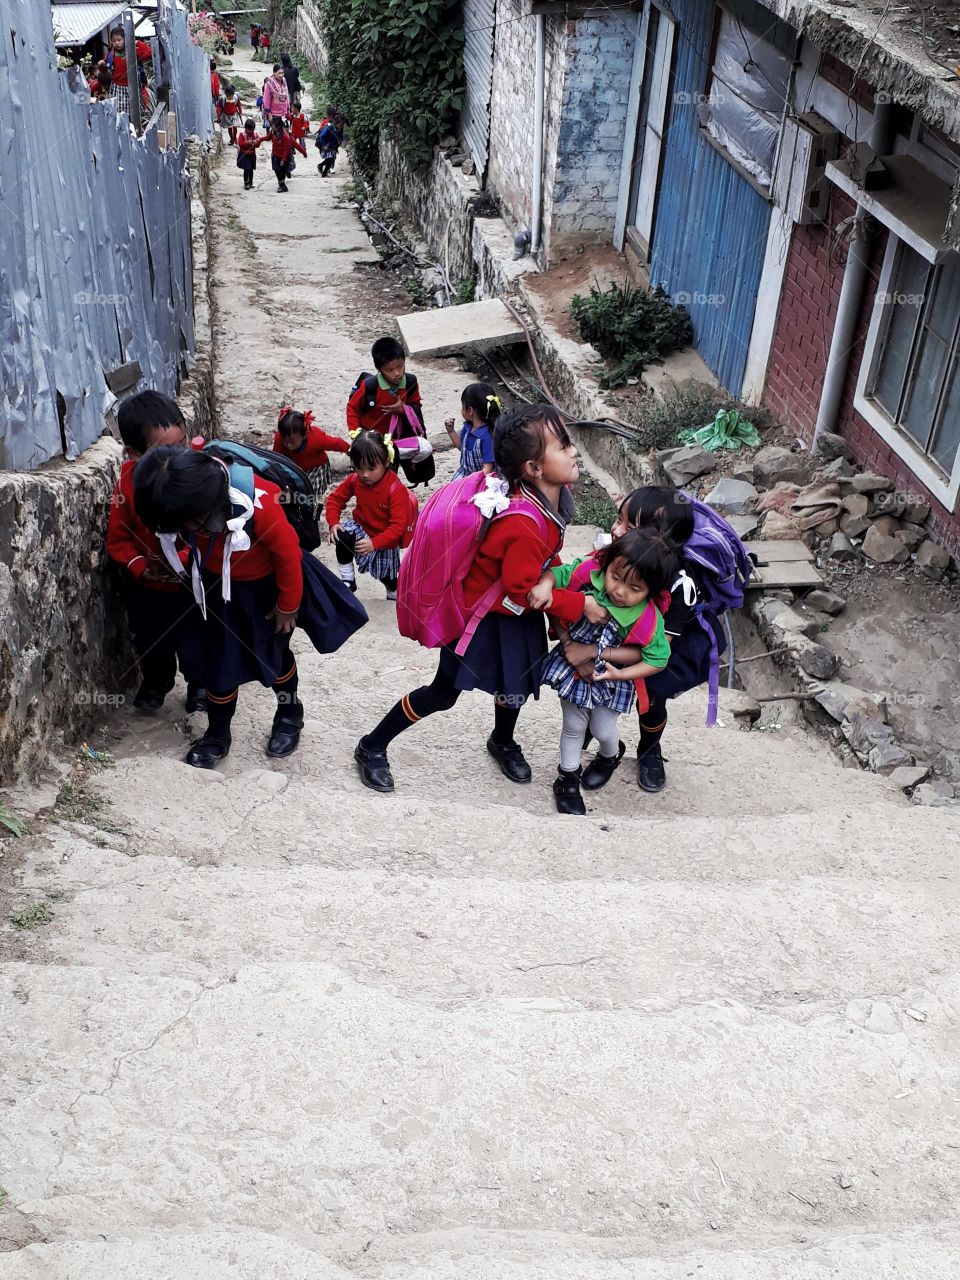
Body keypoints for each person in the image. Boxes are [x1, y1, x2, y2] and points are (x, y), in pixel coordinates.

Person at [354, 403, 597, 795]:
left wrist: (553, 581)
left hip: (512, 617)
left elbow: (544, 561)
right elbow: (523, 591)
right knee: (443, 693)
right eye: (563, 444)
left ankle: (501, 740)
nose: (572, 451)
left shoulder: (547, 501)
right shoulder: (522, 523)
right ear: (534, 469)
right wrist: (578, 605)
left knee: (512, 684)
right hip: (480, 620)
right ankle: (372, 745)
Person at [133, 447, 367, 769]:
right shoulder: (185, 503)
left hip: (264, 594)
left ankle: (289, 713)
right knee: (219, 663)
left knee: (274, 656)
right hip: (215, 590)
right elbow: (198, 546)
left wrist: (287, 606)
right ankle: (217, 734)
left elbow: (287, 556)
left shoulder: (259, 503)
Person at [561, 486, 725, 793]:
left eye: (628, 526)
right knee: (594, 685)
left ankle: (649, 750)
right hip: (618, 635)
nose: (616, 529)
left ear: (662, 541)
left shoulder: (678, 585)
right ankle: (598, 734)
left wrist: (596, 652)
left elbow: (654, 651)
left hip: (662, 646)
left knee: (650, 699)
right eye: (618, 519)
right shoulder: (620, 555)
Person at [534, 529, 676, 815]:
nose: (620, 591)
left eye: (635, 589)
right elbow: (558, 573)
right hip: (573, 668)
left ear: (651, 591)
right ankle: (567, 778)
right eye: (616, 577)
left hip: (612, 677)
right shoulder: (588, 573)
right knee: (573, 726)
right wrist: (545, 585)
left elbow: (658, 658)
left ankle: (610, 755)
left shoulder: (647, 618)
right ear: (606, 563)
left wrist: (617, 674)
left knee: (602, 729)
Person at [105, 391, 206, 716]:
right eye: (164, 451)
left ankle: (199, 685)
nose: (177, 457)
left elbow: (208, 535)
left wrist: (188, 562)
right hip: (146, 587)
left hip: (191, 583)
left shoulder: (195, 479)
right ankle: (156, 681)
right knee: (150, 640)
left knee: (195, 639)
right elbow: (119, 540)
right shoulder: (127, 488)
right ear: (134, 454)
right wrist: (140, 567)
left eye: (182, 445)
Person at [325, 431, 413, 601]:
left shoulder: (395, 489)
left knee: (388, 578)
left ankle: (393, 590)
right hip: (362, 529)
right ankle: (347, 580)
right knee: (342, 534)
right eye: (359, 468)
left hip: (385, 540)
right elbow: (335, 499)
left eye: (371, 468)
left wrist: (375, 543)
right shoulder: (355, 481)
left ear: (386, 462)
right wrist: (333, 523)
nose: (365, 474)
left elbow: (397, 527)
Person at [345, 336, 425, 438]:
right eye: (389, 370)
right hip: (372, 439)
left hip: (398, 438)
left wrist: (403, 409)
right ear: (379, 369)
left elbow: (416, 406)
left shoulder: (410, 382)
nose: (397, 373)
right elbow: (352, 408)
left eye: (400, 366)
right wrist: (356, 434)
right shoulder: (369, 386)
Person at [273, 405, 349, 501]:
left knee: (311, 493)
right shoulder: (279, 439)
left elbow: (335, 443)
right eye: (285, 440)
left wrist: (349, 450)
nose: (288, 445)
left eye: (292, 441)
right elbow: (276, 458)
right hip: (294, 467)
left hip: (316, 467)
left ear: (304, 435)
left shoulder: (316, 438)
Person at [444, 383, 502, 479]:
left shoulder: (487, 436)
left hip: (481, 479)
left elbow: (488, 469)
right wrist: (451, 432)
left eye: (463, 406)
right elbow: (462, 448)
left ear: (470, 410)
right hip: (466, 474)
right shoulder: (468, 428)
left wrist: (470, 482)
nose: (461, 409)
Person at [105, 27, 151, 115]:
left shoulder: (133, 50)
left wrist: (137, 42)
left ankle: (136, 128)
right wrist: (102, 66)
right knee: (119, 114)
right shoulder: (111, 54)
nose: (117, 43)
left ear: (125, 39)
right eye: (114, 41)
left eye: (119, 40)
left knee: (136, 113)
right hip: (117, 87)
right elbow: (105, 69)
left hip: (133, 86)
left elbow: (149, 53)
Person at [269, 116, 305, 193]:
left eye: (286, 128)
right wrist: (259, 140)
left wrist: (303, 152)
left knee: (281, 171)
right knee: (277, 170)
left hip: (284, 157)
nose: (285, 130)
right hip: (276, 155)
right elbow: (267, 137)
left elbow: (296, 146)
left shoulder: (287, 137)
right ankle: (282, 184)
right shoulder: (274, 133)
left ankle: (283, 185)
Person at [236, 118, 265, 189]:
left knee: (251, 169)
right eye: (249, 130)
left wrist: (256, 143)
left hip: (252, 154)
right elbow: (240, 143)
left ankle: (250, 182)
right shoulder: (242, 134)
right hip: (244, 154)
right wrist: (247, 143)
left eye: (252, 130)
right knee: (246, 169)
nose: (250, 131)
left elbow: (258, 144)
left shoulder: (255, 135)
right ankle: (246, 183)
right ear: (245, 128)